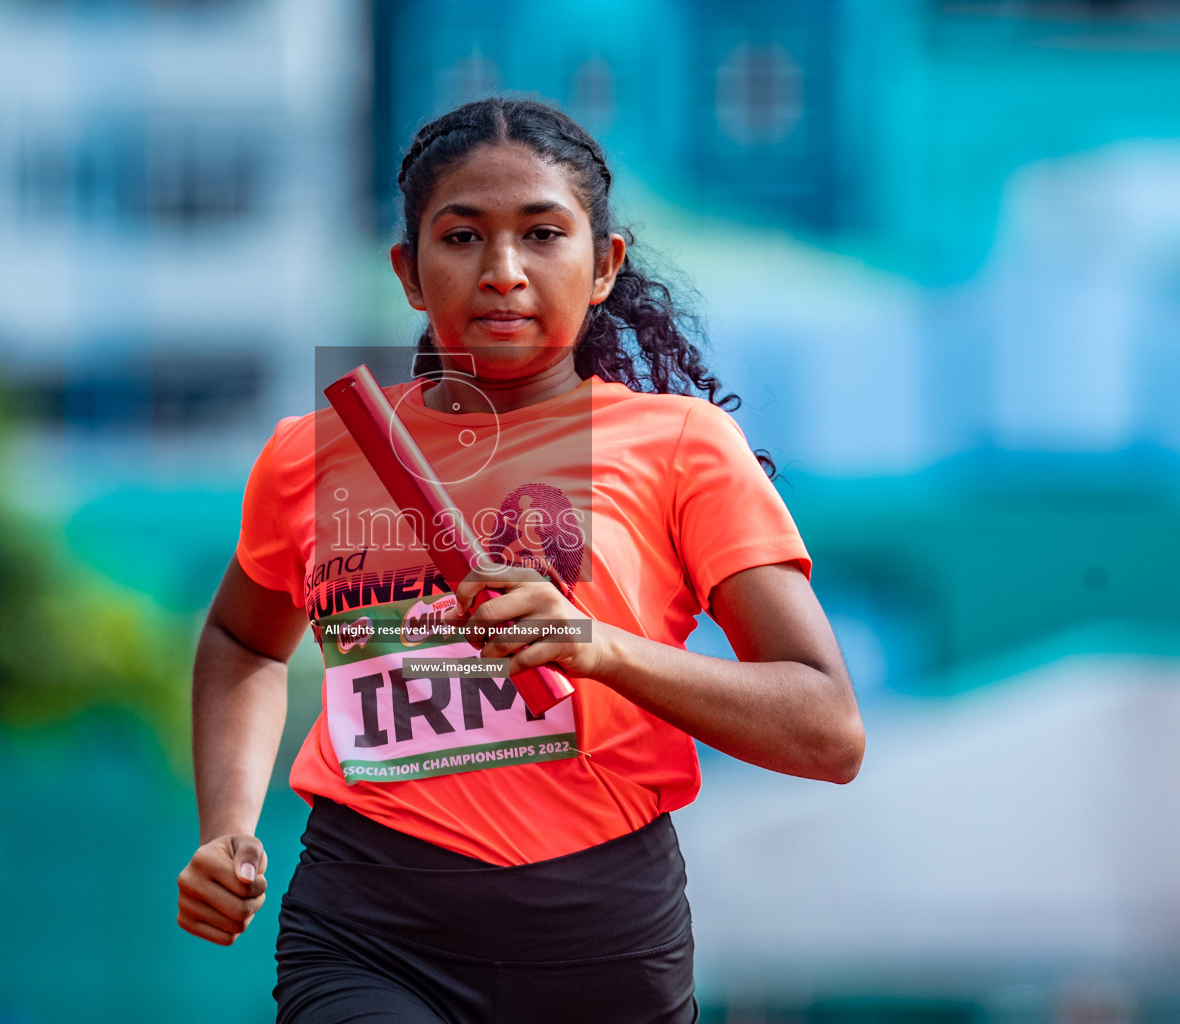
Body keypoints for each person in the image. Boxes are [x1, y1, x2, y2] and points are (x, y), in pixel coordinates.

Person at [177, 96, 865, 1023]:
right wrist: (229, 828)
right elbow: (243, 640)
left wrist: (596, 646)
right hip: (369, 921)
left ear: (605, 265)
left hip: (601, 932)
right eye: (461, 238)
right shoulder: (318, 450)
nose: (503, 272)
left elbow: (826, 730)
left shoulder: (682, 446)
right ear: (409, 274)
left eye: (543, 234)